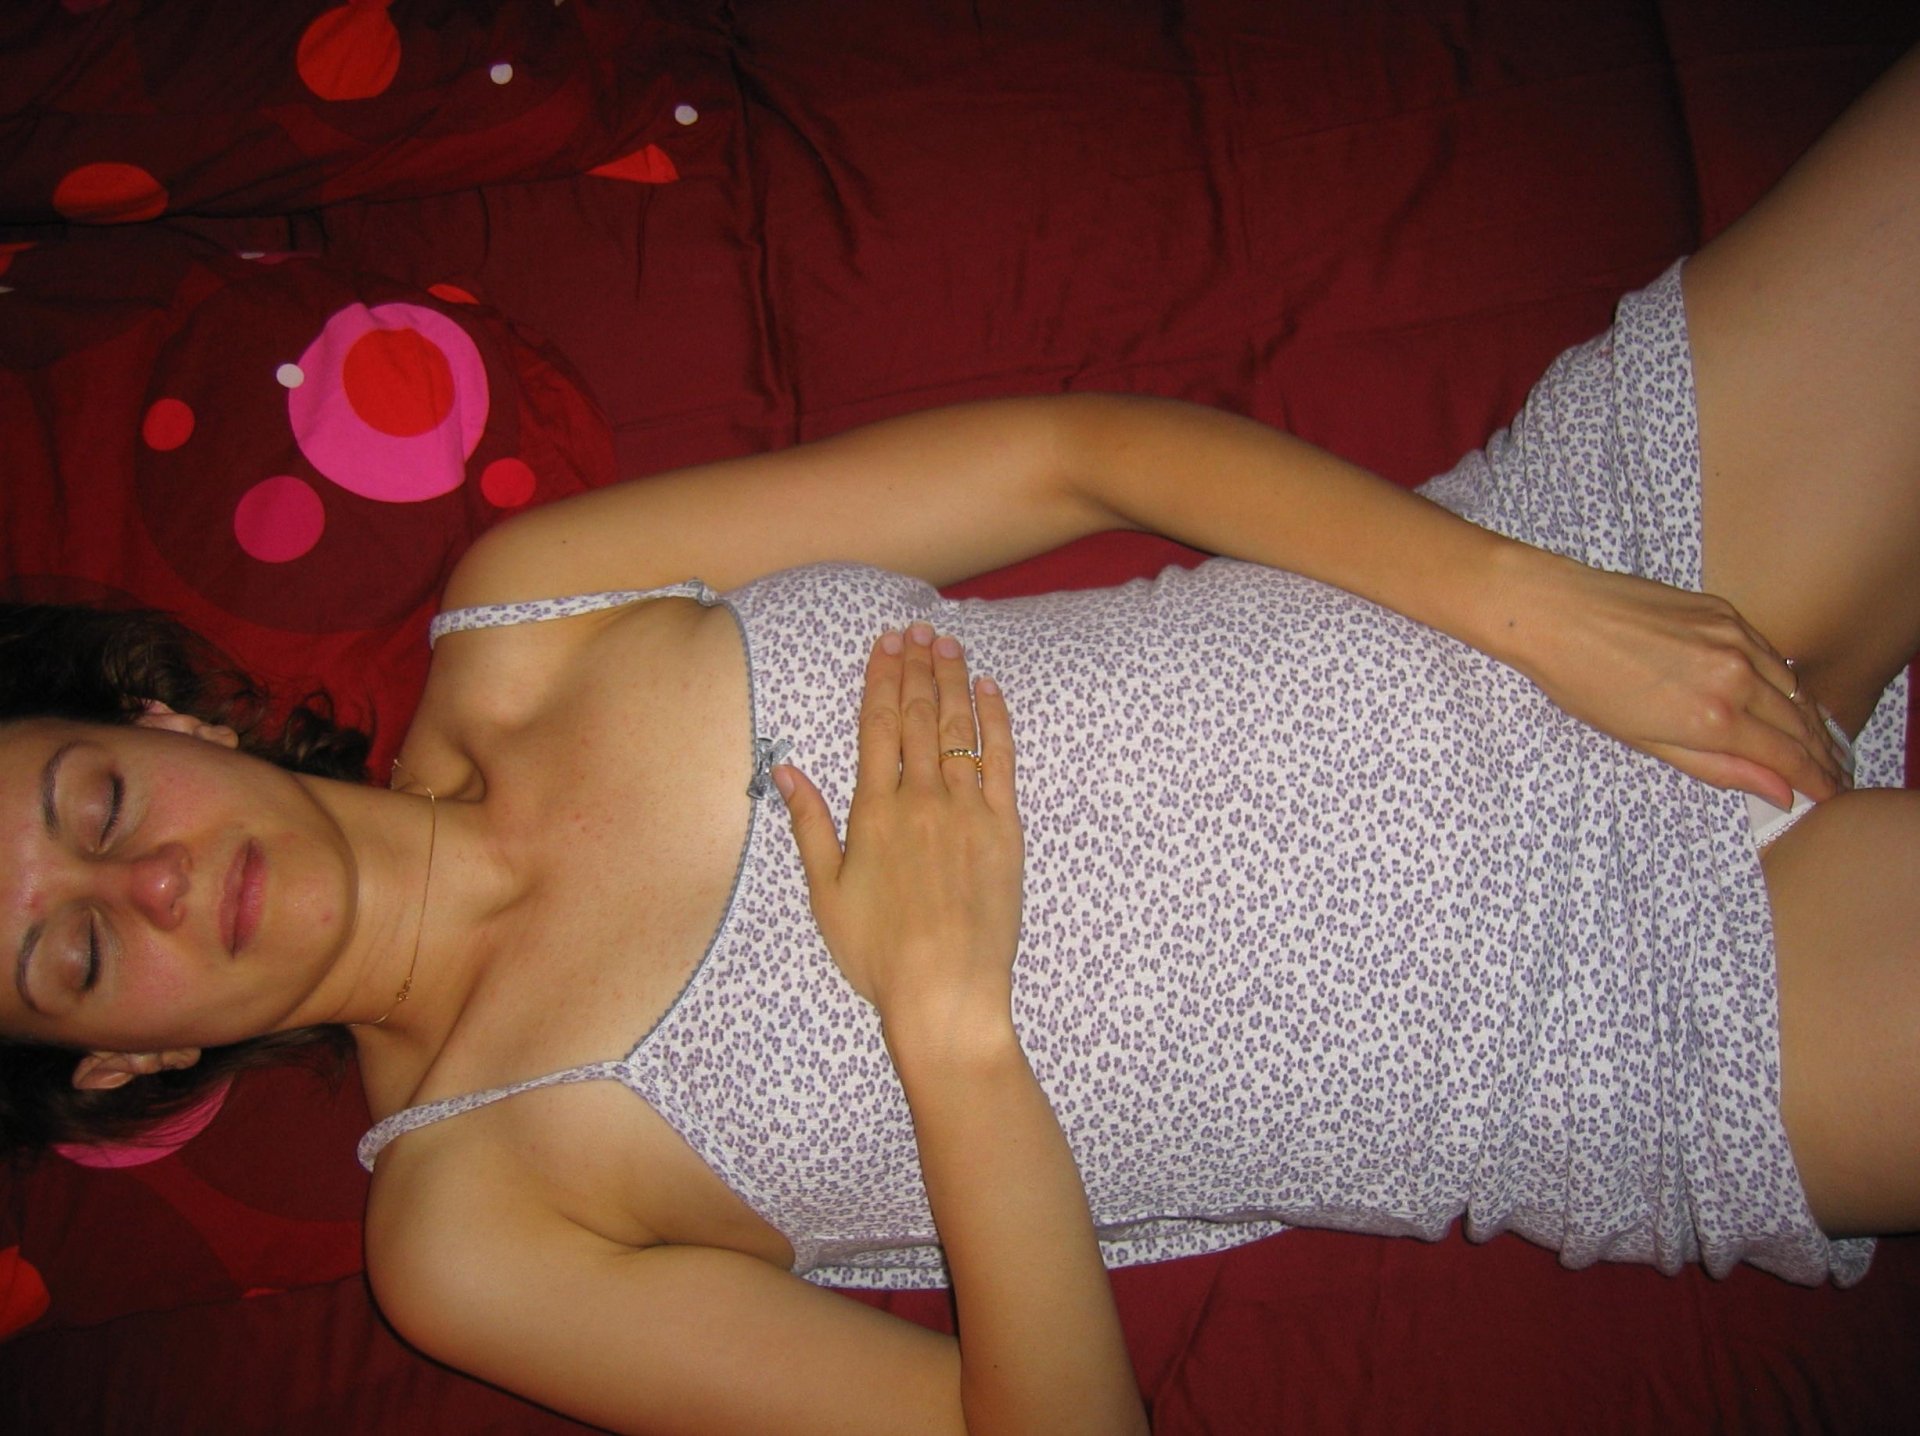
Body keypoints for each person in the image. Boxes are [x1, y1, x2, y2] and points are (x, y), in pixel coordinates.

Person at [4, 43, 1918, 1436]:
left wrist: (1543, 606)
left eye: (92, 804)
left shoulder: (529, 607)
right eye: (73, 951)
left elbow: (1075, 456)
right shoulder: (466, 1232)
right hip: (1630, 1026)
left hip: (1577, 555)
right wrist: (947, 1019)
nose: (149, 881)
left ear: (158, 718)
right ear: (124, 1061)